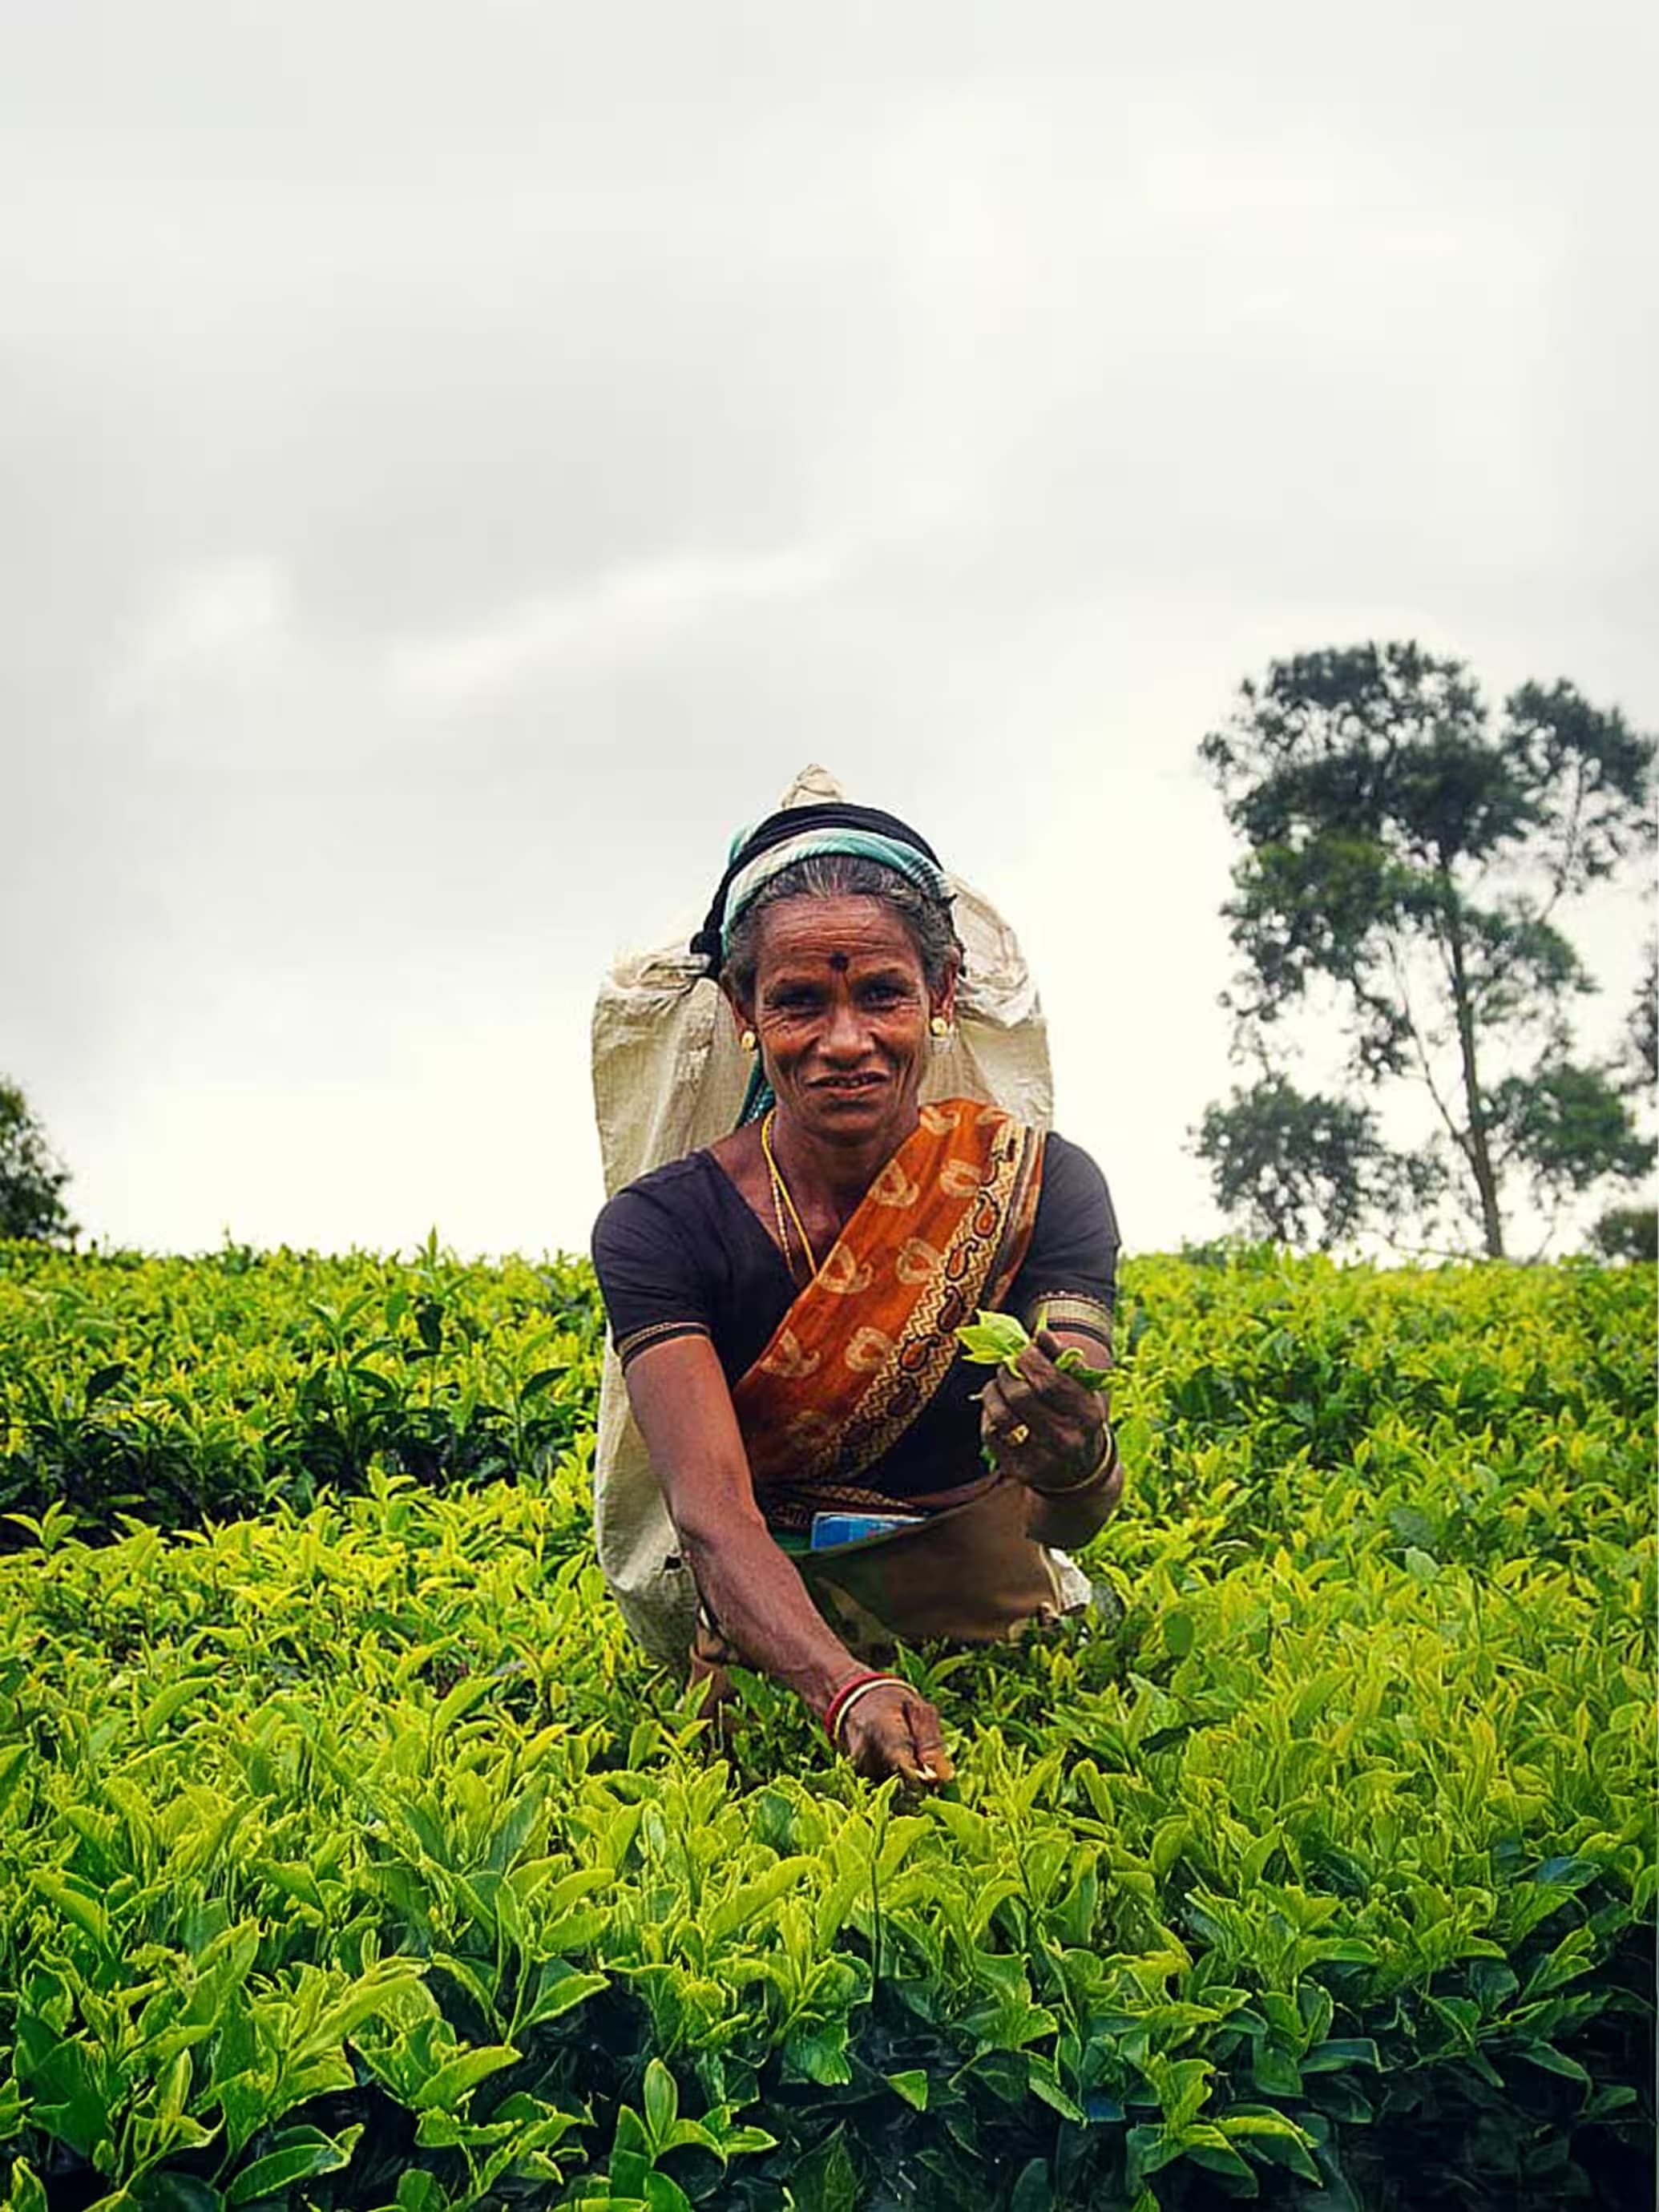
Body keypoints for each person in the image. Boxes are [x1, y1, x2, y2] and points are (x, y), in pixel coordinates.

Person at [591, 801, 1122, 1788]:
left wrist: (1077, 1444)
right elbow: (710, 1513)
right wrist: (843, 1690)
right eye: (799, 1002)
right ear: (744, 1013)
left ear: (941, 995)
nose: (847, 1040)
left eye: (883, 993)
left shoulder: (1038, 1188)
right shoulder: (661, 1230)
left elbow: (1074, 1513)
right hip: (777, 1672)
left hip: (1005, 1656)